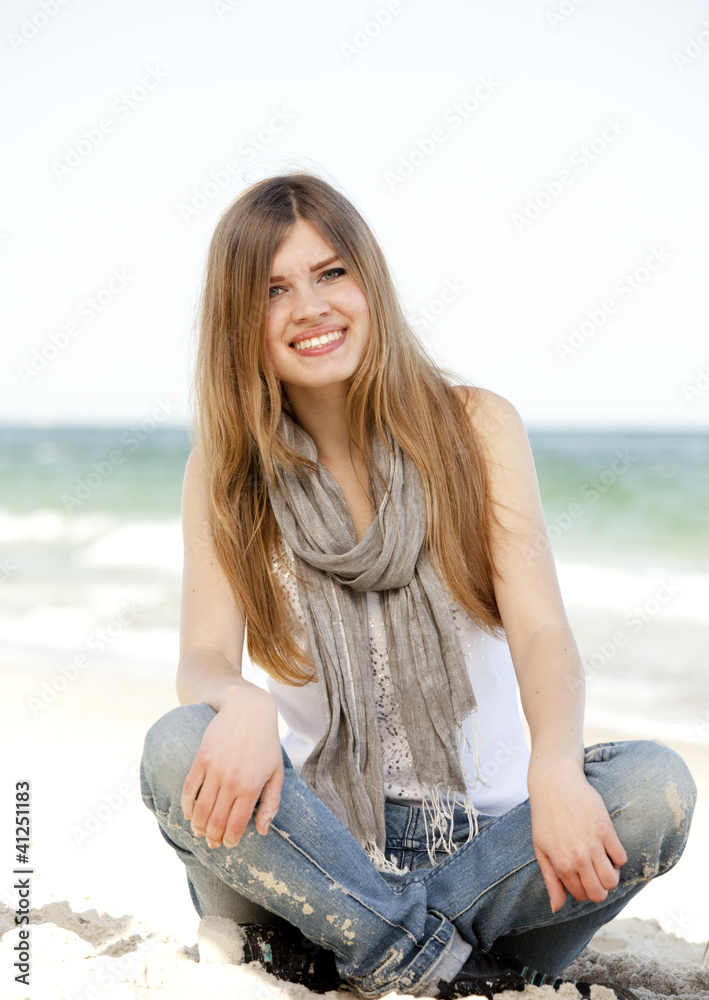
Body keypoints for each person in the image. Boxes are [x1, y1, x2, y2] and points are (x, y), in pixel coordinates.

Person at [140, 172, 695, 999]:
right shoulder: (226, 473)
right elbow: (205, 659)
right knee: (177, 745)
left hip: (491, 850)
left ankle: (370, 950)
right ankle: (454, 974)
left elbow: (541, 629)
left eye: (331, 273)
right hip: (314, 845)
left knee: (655, 787)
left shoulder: (476, 427)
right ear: (238, 322)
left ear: (369, 279)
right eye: (272, 290)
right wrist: (242, 702)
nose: (309, 307)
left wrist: (553, 765)